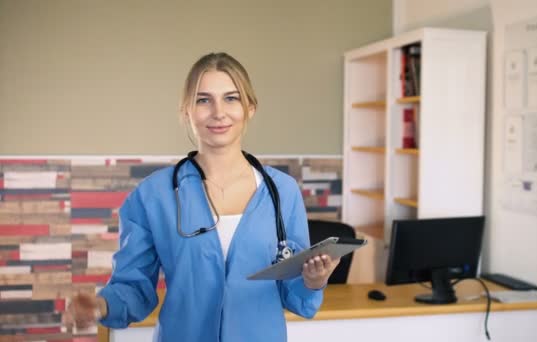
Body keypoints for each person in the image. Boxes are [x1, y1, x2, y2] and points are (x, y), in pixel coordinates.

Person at [65, 52, 340, 341]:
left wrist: (313, 280)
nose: (218, 112)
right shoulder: (153, 196)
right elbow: (133, 288)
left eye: (231, 98)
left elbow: (294, 292)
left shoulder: (282, 191)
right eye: (203, 100)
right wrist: (101, 305)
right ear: (186, 111)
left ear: (250, 108)